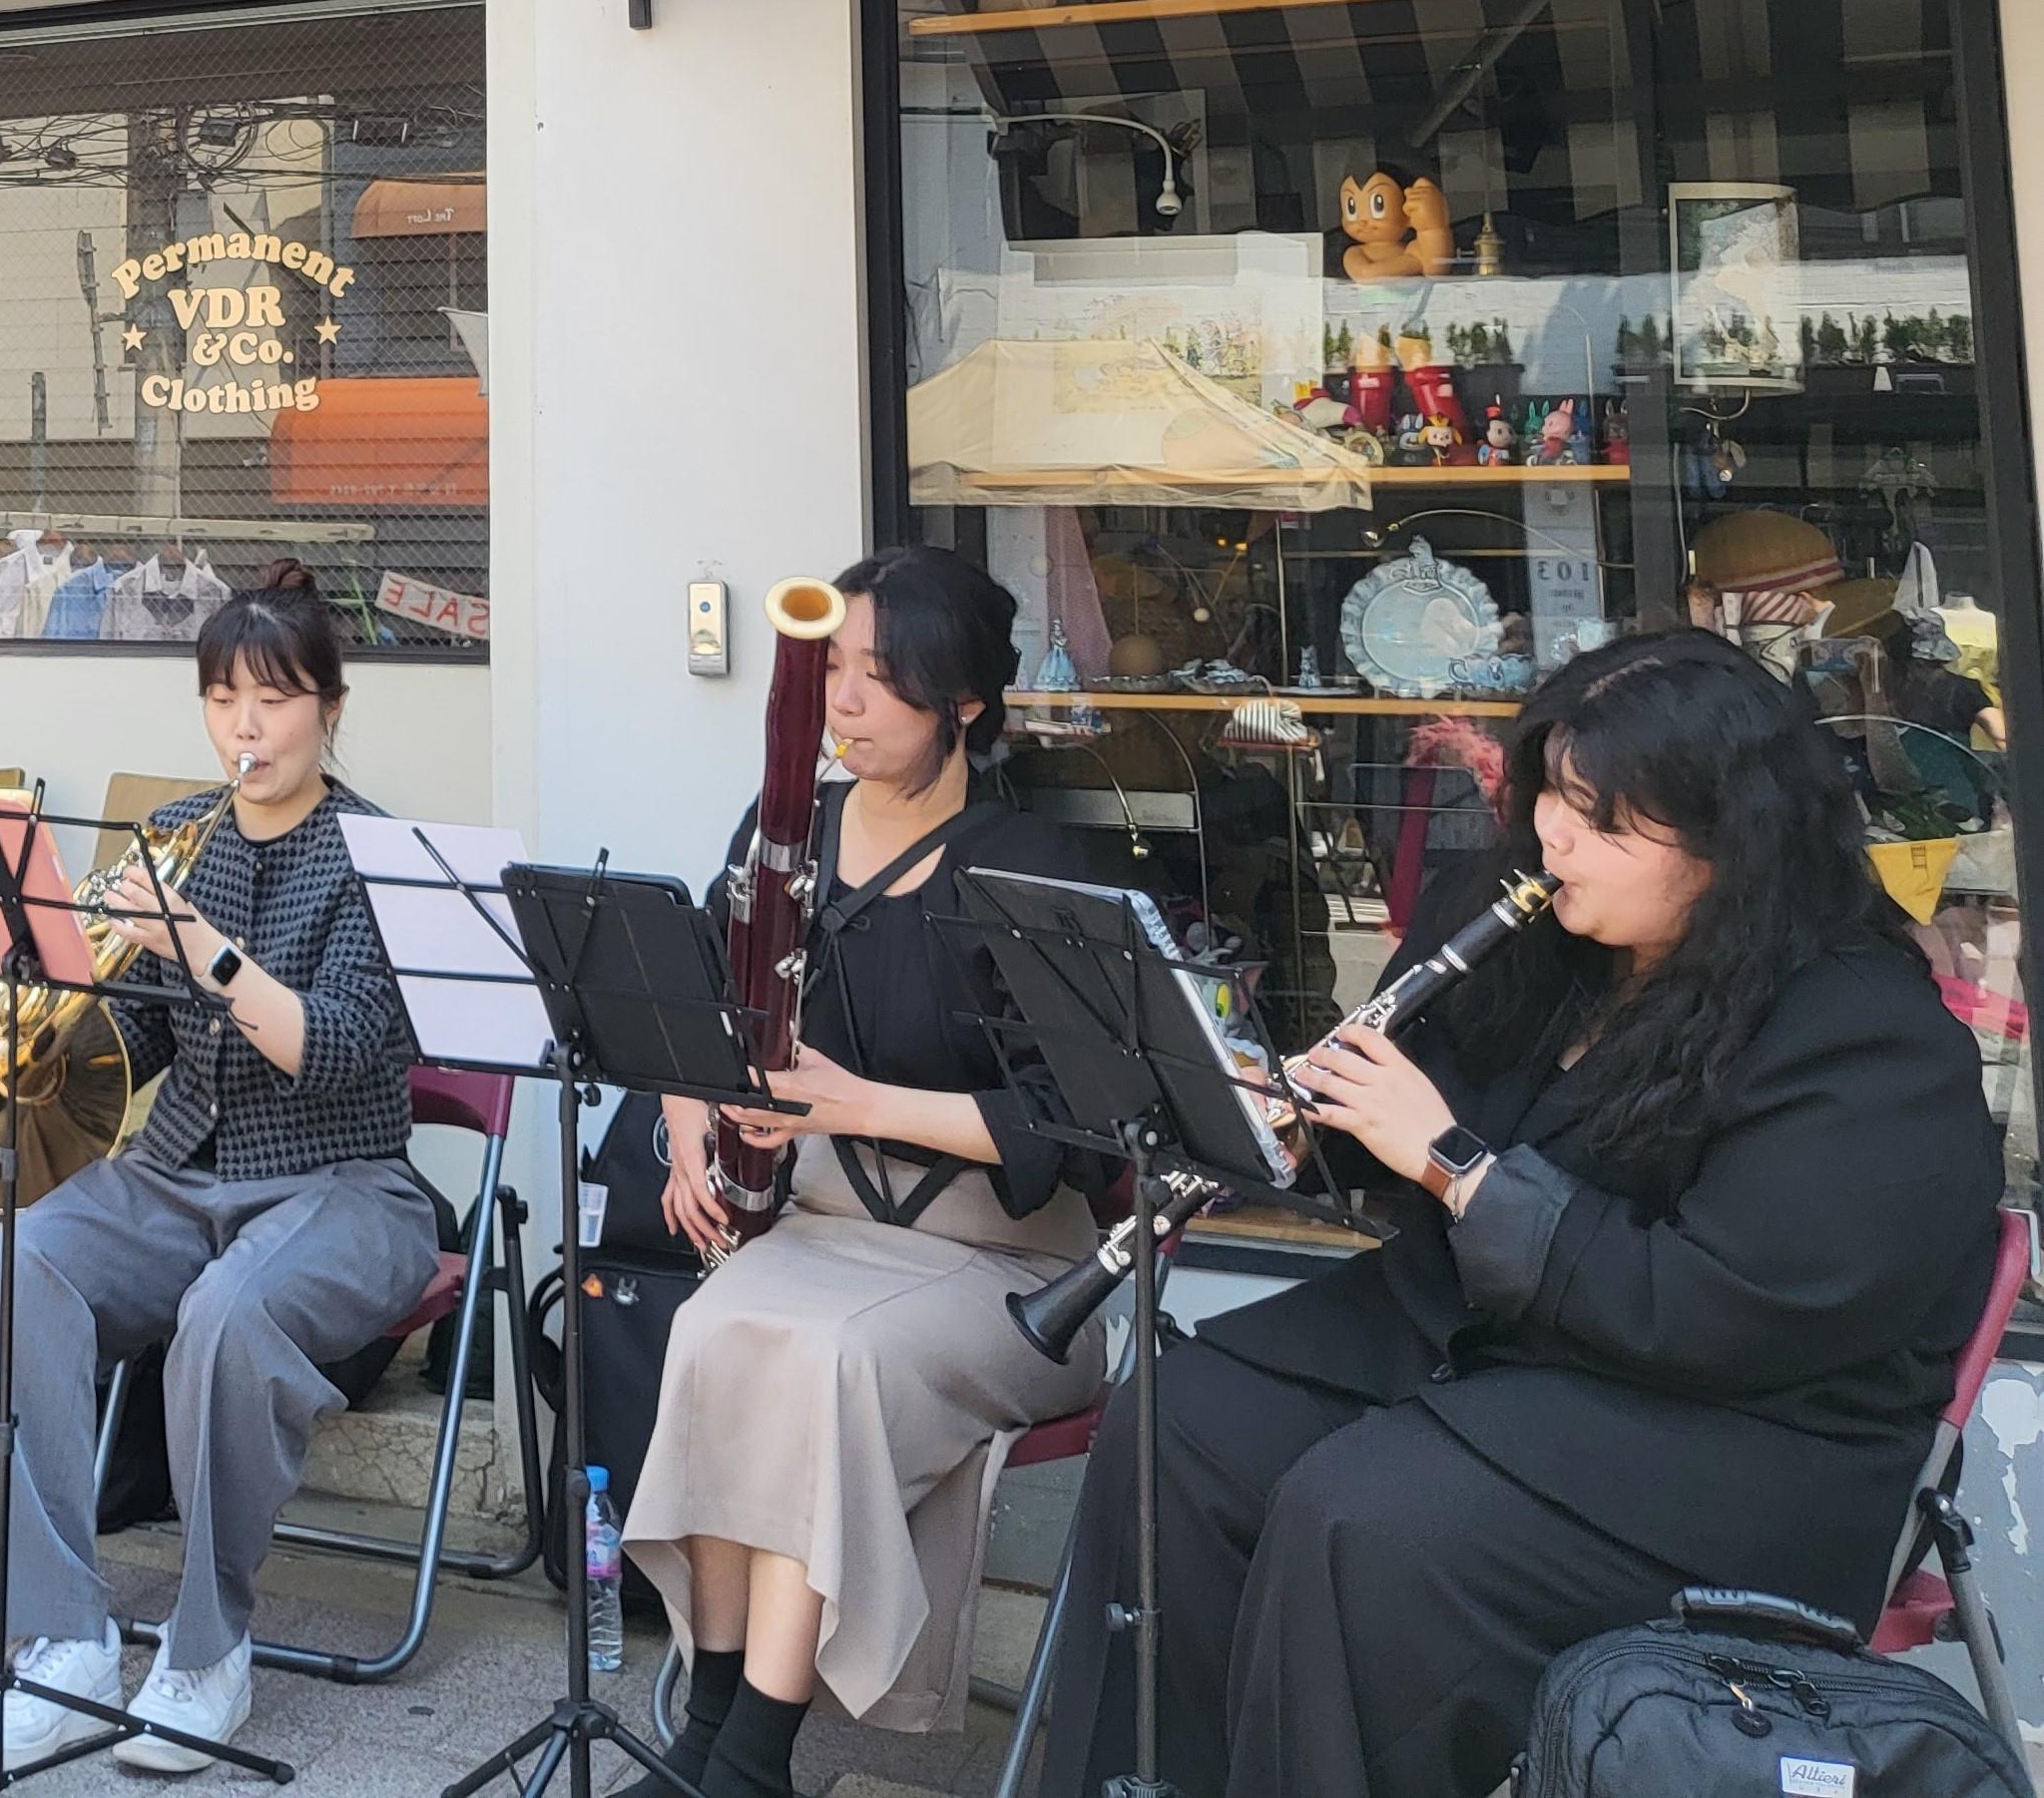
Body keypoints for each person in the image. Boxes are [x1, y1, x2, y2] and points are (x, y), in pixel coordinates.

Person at [1038, 628, 2004, 1798]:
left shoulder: (1865, 1039)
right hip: (1502, 1346)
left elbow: (1719, 1308)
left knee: (1362, 1521)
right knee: (1178, 1423)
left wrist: (1453, 1163)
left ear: (1730, 840)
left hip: (1738, 1432)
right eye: (1551, 788)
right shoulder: (1542, 943)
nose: (1552, 833)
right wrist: (1300, 1126)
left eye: (1603, 819)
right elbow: (1413, 1147)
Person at [628, 547, 1111, 1798]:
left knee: (825, 1364)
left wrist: (853, 1102)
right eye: (831, 669)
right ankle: (710, 1733)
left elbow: (1068, 1131)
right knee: (717, 1332)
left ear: (963, 704)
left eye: (880, 680)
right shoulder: (786, 827)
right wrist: (690, 1124)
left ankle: (747, 1760)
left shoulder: (1036, 867)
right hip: (828, 1227)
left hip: (1007, 1263)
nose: (842, 704)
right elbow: (703, 1002)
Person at [0, 561, 436, 1774]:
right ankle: (61, 1639)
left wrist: (203, 947)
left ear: (329, 706)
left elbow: (335, 1054)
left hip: (345, 1185)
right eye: (223, 699)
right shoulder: (176, 837)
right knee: (12, 1270)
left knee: (225, 1314)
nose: (245, 727)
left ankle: (209, 1647)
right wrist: (63, 987)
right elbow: (151, 1038)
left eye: (272, 699)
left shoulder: (379, 854)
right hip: (178, 1176)